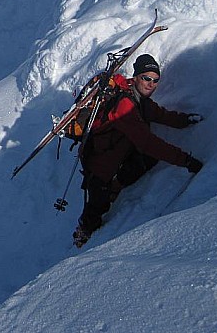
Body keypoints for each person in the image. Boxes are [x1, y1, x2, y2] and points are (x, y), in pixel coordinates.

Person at [73, 54, 204, 248]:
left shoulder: (138, 98)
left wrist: (185, 120)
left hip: (120, 151)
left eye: (155, 80)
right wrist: (186, 160)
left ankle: (116, 185)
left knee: (147, 160)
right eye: (146, 78)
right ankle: (83, 234)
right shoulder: (125, 105)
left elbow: (161, 115)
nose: (151, 84)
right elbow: (148, 143)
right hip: (100, 162)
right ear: (136, 77)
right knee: (96, 207)